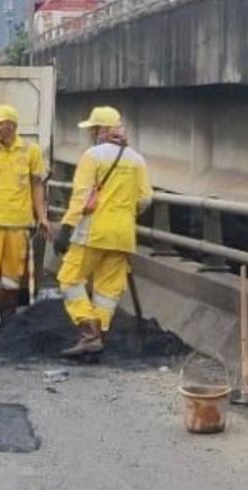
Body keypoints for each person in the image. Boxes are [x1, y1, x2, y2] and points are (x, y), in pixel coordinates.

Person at [53, 105, 152, 357]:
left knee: (69, 279)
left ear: (101, 131)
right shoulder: (137, 159)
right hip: (123, 235)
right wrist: (124, 213)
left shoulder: (93, 156)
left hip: (92, 232)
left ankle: (88, 332)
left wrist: (66, 227)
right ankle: (98, 338)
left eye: (94, 129)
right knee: (107, 291)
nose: (92, 134)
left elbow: (81, 196)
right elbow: (145, 199)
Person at [0, 104, 51, 320]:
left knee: (12, 279)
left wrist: (42, 217)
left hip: (18, 225)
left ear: (12, 126)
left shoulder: (31, 151)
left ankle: (7, 324)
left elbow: (37, 186)